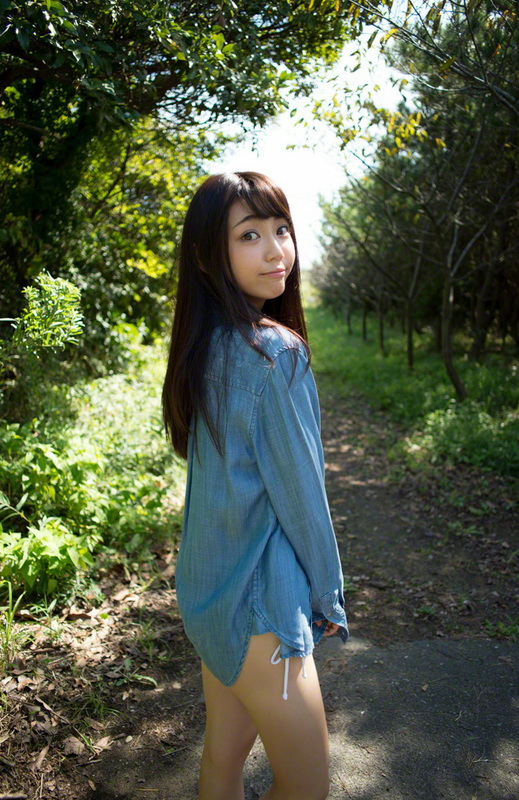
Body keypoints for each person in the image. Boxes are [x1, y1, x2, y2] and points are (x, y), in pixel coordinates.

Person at [162, 171, 348, 800]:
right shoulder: (276, 353)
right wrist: (327, 597)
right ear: (207, 255)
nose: (276, 251)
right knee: (306, 787)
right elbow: (303, 499)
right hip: (262, 610)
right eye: (250, 235)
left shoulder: (204, 347)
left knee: (221, 760)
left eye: (281, 230)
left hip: (209, 596)